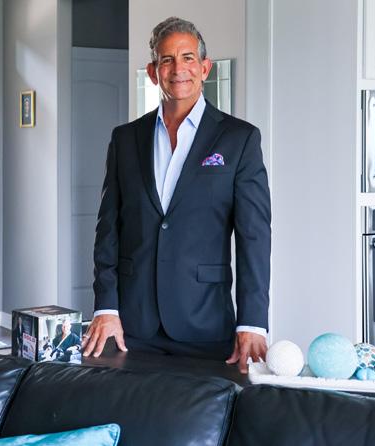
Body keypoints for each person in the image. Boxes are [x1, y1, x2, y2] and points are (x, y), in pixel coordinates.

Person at [83, 17, 271, 374]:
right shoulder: (125, 139)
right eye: (166, 60)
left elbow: (255, 237)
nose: (178, 69)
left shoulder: (240, 139)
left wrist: (252, 322)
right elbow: (108, 230)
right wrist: (106, 307)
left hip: (205, 323)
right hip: (132, 325)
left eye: (188, 58)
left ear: (205, 68)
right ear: (153, 72)